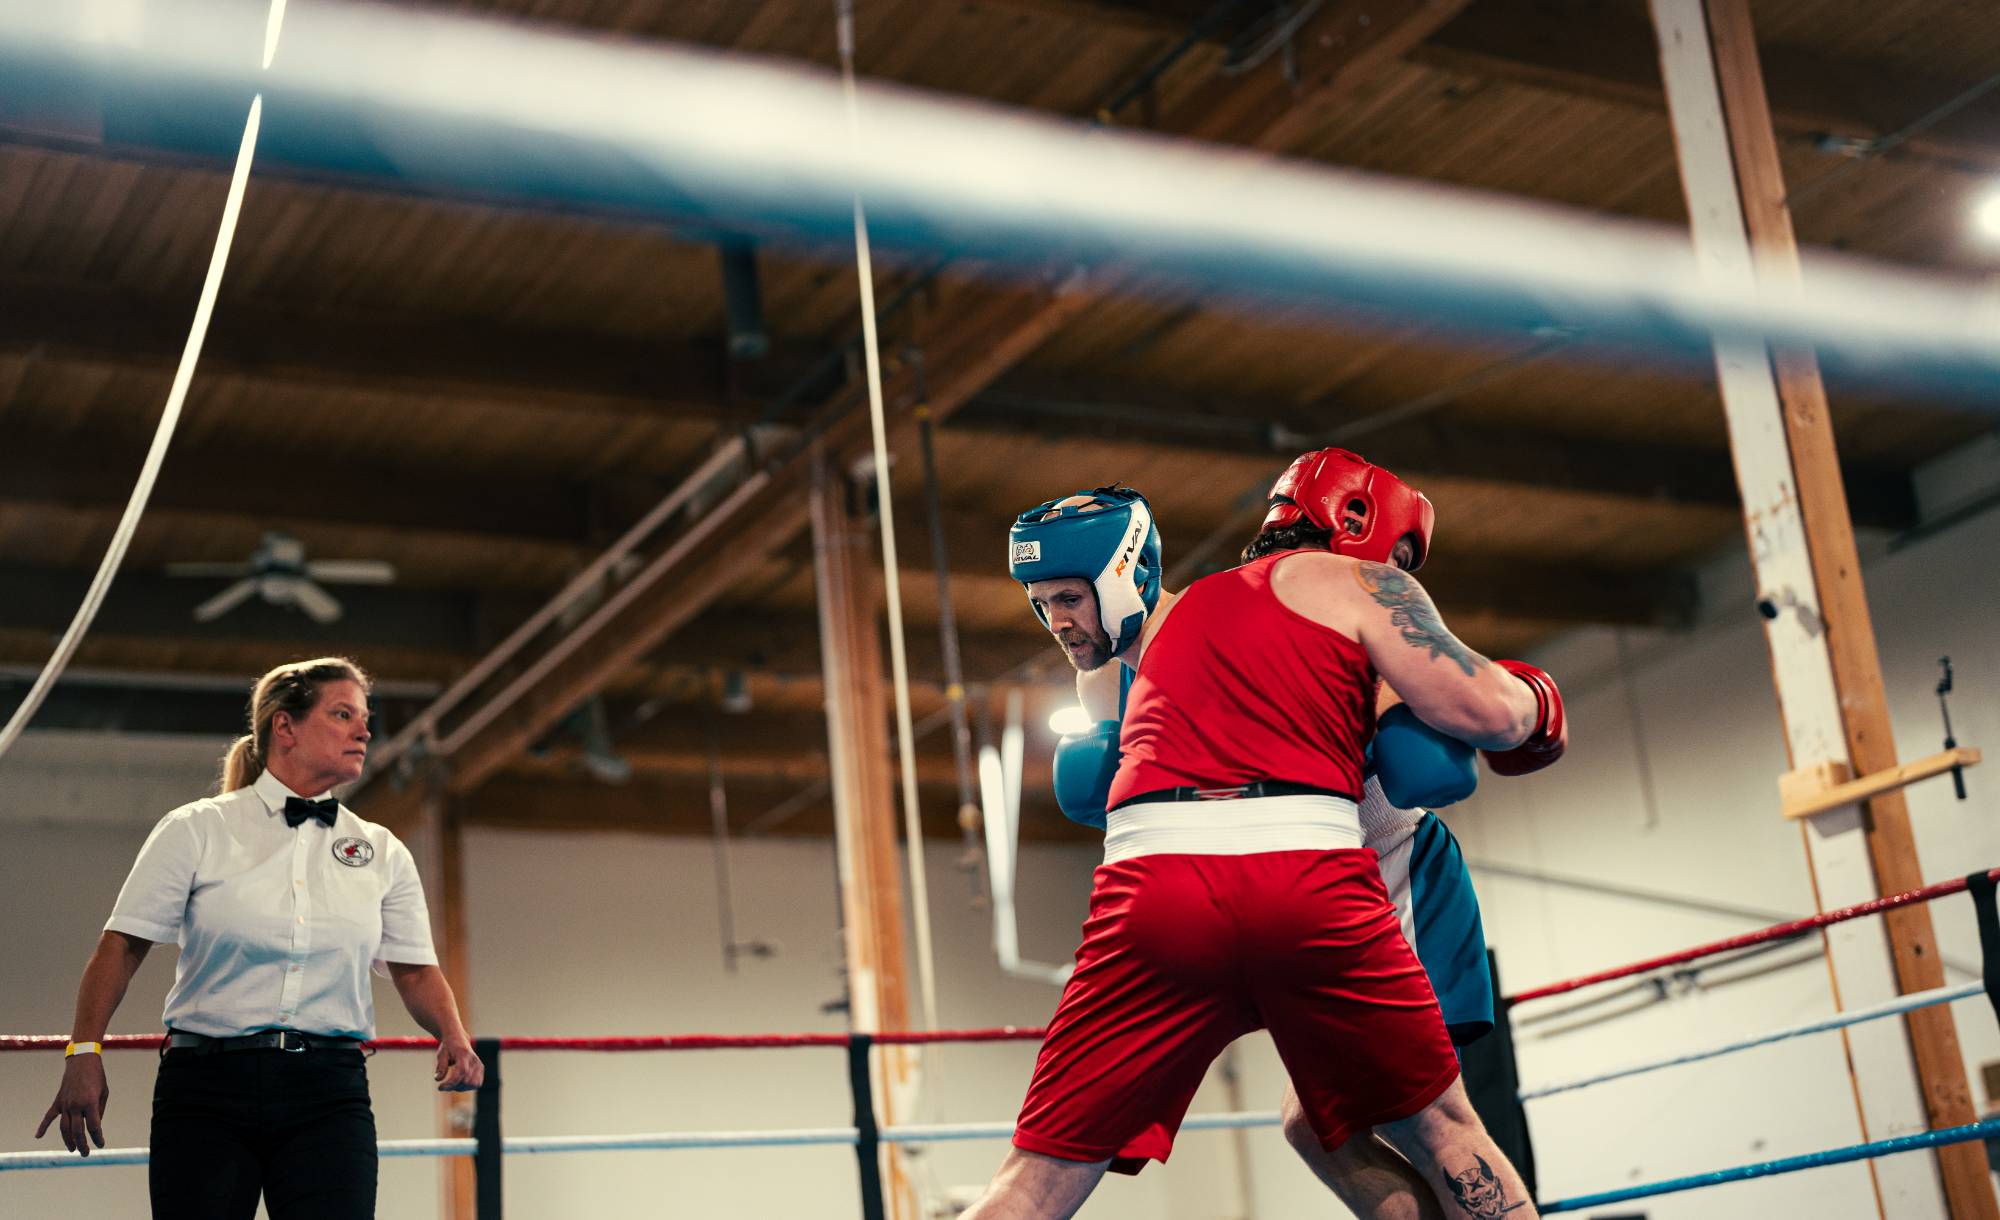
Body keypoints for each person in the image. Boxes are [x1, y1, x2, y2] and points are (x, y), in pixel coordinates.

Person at [971, 450, 1565, 1219]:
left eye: (1067, 597)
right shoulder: (1364, 589)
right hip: (1316, 875)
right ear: (1374, 532)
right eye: (1043, 601)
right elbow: (1489, 717)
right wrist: (1536, 700)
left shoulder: (1180, 617)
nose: (1057, 619)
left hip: (1159, 883)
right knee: (1441, 1130)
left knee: (1039, 1172)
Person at [36, 656, 483, 1220]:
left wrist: (454, 1034)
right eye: (343, 713)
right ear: (285, 727)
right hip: (206, 1090)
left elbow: (415, 968)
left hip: (329, 1093)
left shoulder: (382, 851)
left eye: (365, 717)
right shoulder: (196, 828)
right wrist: (83, 1050)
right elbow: (120, 947)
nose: (364, 730)